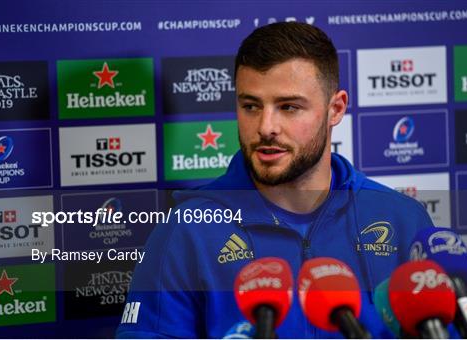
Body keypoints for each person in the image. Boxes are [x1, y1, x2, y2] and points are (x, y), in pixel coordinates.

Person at [116, 22, 433, 338]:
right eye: (251, 106)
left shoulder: (402, 219)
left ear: (335, 109)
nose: (266, 127)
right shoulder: (187, 231)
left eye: (288, 107)